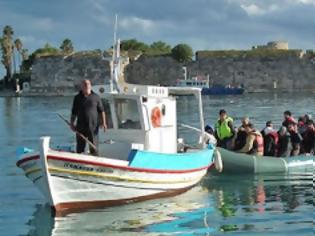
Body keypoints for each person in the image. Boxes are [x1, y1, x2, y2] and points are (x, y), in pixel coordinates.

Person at [71, 79, 107, 155]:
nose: (87, 86)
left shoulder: (96, 97)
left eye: (88, 84)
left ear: (90, 86)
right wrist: (72, 124)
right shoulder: (77, 98)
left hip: (93, 127)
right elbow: (74, 112)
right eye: (85, 84)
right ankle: (79, 162)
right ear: (82, 87)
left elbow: (102, 111)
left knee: (94, 148)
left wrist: (104, 123)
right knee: (80, 148)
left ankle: (95, 162)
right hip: (80, 126)